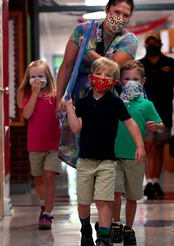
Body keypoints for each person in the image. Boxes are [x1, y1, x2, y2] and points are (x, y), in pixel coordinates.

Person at [65, 57, 145, 246]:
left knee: (104, 200)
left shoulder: (115, 103)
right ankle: (85, 230)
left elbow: (130, 123)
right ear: (92, 76)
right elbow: (76, 128)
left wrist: (139, 145)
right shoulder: (83, 102)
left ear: (114, 81)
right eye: (99, 74)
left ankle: (103, 238)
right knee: (84, 201)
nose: (102, 78)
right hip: (85, 161)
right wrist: (69, 108)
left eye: (108, 76)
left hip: (107, 161)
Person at [56, 0, 138, 164]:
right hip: (80, 96)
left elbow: (112, 67)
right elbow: (66, 66)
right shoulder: (83, 30)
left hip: (107, 98)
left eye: (125, 15)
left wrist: (88, 51)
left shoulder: (129, 40)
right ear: (107, 9)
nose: (120, 17)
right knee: (80, 149)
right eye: (116, 12)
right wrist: (59, 99)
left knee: (104, 148)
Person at [111, 60, 164, 245]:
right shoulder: (115, 102)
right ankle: (116, 224)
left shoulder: (147, 105)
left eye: (135, 79)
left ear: (143, 81)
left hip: (136, 156)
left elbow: (161, 125)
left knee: (133, 195)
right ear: (120, 81)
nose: (131, 82)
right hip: (114, 155)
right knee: (115, 193)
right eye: (127, 79)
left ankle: (129, 228)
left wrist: (156, 126)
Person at [139, 31, 174, 199]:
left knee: (158, 148)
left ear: (160, 44)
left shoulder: (170, 63)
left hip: (164, 113)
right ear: (145, 45)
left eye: (155, 42)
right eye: (149, 43)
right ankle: (148, 183)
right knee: (148, 147)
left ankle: (155, 181)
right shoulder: (139, 65)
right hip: (143, 113)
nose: (152, 45)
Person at [17, 60, 61, 230]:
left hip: (53, 144)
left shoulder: (55, 95)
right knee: (38, 178)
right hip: (35, 145)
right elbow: (27, 114)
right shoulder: (26, 95)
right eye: (33, 76)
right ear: (27, 78)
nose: (37, 79)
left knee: (49, 176)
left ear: (47, 77)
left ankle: (47, 214)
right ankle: (44, 204)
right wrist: (35, 93)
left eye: (40, 76)